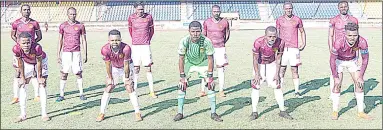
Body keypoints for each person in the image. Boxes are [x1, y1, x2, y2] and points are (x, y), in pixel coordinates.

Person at [174, 21, 222, 122]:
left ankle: (213, 113)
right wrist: (182, 76)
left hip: (203, 63)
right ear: (189, 31)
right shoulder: (184, 41)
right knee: (182, 85)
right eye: (193, 31)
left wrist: (210, 76)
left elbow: (210, 59)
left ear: (201, 31)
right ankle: (180, 112)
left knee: (210, 84)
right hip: (189, 63)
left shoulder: (206, 41)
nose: (195, 34)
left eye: (198, 31)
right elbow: (181, 59)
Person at [96, 29, 142, 122]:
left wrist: (127, 78)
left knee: (129, 87)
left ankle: (137, 112)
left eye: (117, 40)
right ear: (109, 40)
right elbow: (108, 64)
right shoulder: (105, 49)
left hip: (126, 67)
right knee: (109, 87)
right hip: (114, 68)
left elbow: (126, 65)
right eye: (112, 40)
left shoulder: (126, 48)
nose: (115, 42)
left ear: (121, 39)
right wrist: (110, 78)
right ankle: (102, 113)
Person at [329, 22, 371, 120]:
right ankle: (335, 111)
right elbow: (332, 60)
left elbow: (365, 60)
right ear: (345, 34)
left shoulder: (362, 42)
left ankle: (361, 112)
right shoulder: (338, 42)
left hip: (352, 60)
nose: (352, 38)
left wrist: (360, 76)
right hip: (339, 61)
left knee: (359, 84)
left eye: (355, 35)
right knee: (337, 85)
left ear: (358, 34)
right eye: (349, 35)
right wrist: (335, 77)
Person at [250, 26, 293, 120]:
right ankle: (254, 111)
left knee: (277, 86)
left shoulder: (281, 42)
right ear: (265, 36)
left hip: (272, 64)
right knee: (256, 86)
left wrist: (277, 73)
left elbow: (279, 58)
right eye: (269, 36)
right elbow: (255, 59)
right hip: (260, 64)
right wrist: (257, 74)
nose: (272, 39)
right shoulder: (258, 42)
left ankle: (282, 111)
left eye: (274, 36)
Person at [13, 32, 50, 122]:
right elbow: (20, 62)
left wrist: (39, 76)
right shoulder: (16, 49)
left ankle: (44, 114)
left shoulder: (37, 47)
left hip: (41, 61)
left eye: (28, 43)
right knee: (23, 84)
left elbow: (39, 62)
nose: (26, 45)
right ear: (18, 42)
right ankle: (23, 114)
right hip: (27, 62)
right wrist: (22, 77)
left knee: (42, 84)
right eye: (23, 43)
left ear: (31, 41)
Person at [10, 4, 42, 104]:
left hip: (31, 51)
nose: (27, 11)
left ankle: (37, 95)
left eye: (28, 10)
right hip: (20, 51)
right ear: (21, 11)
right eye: (24, 10)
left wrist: (32, 45)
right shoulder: (16, 23)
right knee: (18, 72)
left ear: (30, 11)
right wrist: (20, 45)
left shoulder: (34, 23)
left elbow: (39, 36)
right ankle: (16, 97)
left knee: (34, 72)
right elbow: (13, 35)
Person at [328, 0, 358, 99]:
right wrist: (330, 49)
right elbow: (330, 35)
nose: (343, 8)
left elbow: (356, 37)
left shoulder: (354, 20)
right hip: (338, 51)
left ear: (348, 7)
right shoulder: (333, 20)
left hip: (350, 52)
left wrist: (356, 51)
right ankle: (333, 94)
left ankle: (356, 94)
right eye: (341, 7)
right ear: (338, 8)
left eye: (345, 6)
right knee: (335, 73)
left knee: (356, 76)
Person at [56, 7, 88, 102]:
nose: (72, 16)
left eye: (74, 14)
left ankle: (81, 93)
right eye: (71, 14)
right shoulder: (63, 26)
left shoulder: (80, 25)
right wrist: (58, 54)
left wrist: (85, 53)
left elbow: (83, 40)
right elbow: (60, 40)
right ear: (67, 14)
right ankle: (61, 94)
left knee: (78, 72)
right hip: (66, 52)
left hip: (76, 52)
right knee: (64, 73)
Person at [276, 2, 306, 98]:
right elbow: (276, 33)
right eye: (286, 8)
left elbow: (302, 31)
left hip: (294, 48)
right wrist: (276, 47)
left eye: (290, 8)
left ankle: (297, 91)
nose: (288, 10)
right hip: (282, 48)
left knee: (294, 69)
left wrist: (303, 43)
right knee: (282, 69)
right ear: (283, 9)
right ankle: (280, 89)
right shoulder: (279, 20)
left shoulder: (297, 19)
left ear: (292, 8)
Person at [128, 1, 157, 98]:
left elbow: (151, 31)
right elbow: (130, 31)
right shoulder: (131, 18)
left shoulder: (149, 17)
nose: (141, 11)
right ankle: (135, 90)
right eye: (139, 9)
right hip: (135, 46)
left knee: (148, 68)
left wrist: (147, 40)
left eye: (142, 9)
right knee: (136, 68)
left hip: (145, 46)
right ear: (135, 9)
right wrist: (136, 40)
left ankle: (152, 91)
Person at [202, 5, 230, 97]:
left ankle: (221, 90)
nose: (216, 13)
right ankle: (203, 90)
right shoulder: (207, 22)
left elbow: (227, 34)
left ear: (220, 12)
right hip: (209, 49)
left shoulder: (225, 22)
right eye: (214, 11)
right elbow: (204, 35)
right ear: (211, 12)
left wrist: (221, 43)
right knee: (206, 69)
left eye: (217, 11)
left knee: (220, 69)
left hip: (220, 48)